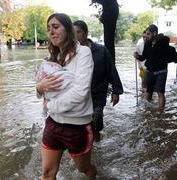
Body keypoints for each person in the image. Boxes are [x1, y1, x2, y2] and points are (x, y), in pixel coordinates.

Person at [35, 13, 97, 179]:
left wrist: (50, 106)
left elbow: (80, 92)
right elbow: (45, 89)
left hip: (76, 127)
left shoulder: (83, 52)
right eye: (49, 29)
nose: (51, 32)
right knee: (47, 174)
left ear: (68, 29)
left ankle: (93, 174)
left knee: (83, 169)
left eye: (55, 27)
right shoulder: (50, 58)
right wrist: (39, 87)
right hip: (53, 123)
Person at [73, 20, 124, 142]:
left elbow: (111, 70)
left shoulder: (101, 50)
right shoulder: (71, 52)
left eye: (78, 32)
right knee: (78, 127)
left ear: (86, 33)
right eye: (72, 33)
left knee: (95, 126)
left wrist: (116, 91)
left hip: (97, 95)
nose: (75, 36)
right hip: (78, 96)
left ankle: (97, 149)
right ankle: (84, 152)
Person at [133, 24, 177, 109]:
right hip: (150, 71)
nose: (146, 36)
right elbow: (144, 57)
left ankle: (160, 113)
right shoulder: (147, 43)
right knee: (149, 91)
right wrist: (138, 56)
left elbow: (165, 45)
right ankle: (148, 111)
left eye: (148, 34)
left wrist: (156, 42)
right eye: (145, 34)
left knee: (160, 93)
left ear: (154, 33)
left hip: (161, 71)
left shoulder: (163, 41)